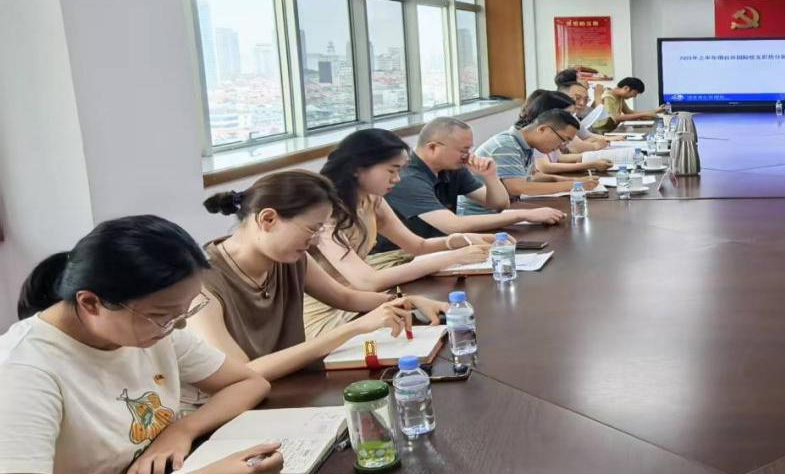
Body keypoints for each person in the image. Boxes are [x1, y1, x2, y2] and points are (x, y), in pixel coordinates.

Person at [0, 216, 279, 474]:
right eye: (163, 315)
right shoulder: (23, 370)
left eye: (186, 310)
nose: (178, 325)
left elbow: (249, 383)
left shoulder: (153, 330)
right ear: (90, 303)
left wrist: (182, 430)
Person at [187, 171, 450, 382]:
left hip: (290, 385)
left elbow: (346, 298)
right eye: (312, 229)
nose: (314, 240)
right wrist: (355, 327)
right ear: (268, 219)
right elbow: (242, 374)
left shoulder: (291, 257)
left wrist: (408, 301)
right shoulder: (199, 285)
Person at [303, 129, 494, 338]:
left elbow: (417, 246)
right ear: (358, 169)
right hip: (329, 307)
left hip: (362, 294)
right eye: (391, 171)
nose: (397, 179)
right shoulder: (325, 212)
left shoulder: (372, 199)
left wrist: (457, 241)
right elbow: (367, 282)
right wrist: (454, 256)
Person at [379, 117, 563, 249]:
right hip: (401, 256)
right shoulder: (407, 178)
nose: (468, 156)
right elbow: (453, 225)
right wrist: (523, 215)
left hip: (442, 247)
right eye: (463, 150)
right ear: (433, 147)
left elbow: (500, 204)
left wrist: (490, 176)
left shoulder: (452, 168)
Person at [460, 109, 592, 214]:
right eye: (563, 139)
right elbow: (517, 188)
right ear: (542, 129)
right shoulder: (506, 146)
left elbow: (533, 176)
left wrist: (575, 181)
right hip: (481, 215)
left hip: (503, 210)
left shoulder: (524, 144)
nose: (562, 146)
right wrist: (574, 186)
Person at [519, 90, 612, 172]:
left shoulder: (551, 135)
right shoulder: (538, 136)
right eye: (567, 114)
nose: (570, 118)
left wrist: (592, 161)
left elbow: (558, 158)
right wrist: (590, 164)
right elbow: (544, 167)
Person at [592, 77, 658, 133]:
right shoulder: (608, 97)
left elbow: (629, 112)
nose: (634, 96)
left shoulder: (619, 97)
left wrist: (653, 112)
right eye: (634, 93)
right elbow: (615, 117)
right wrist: (643, 115)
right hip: (599, 132)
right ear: (626, 88)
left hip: (609, 130)